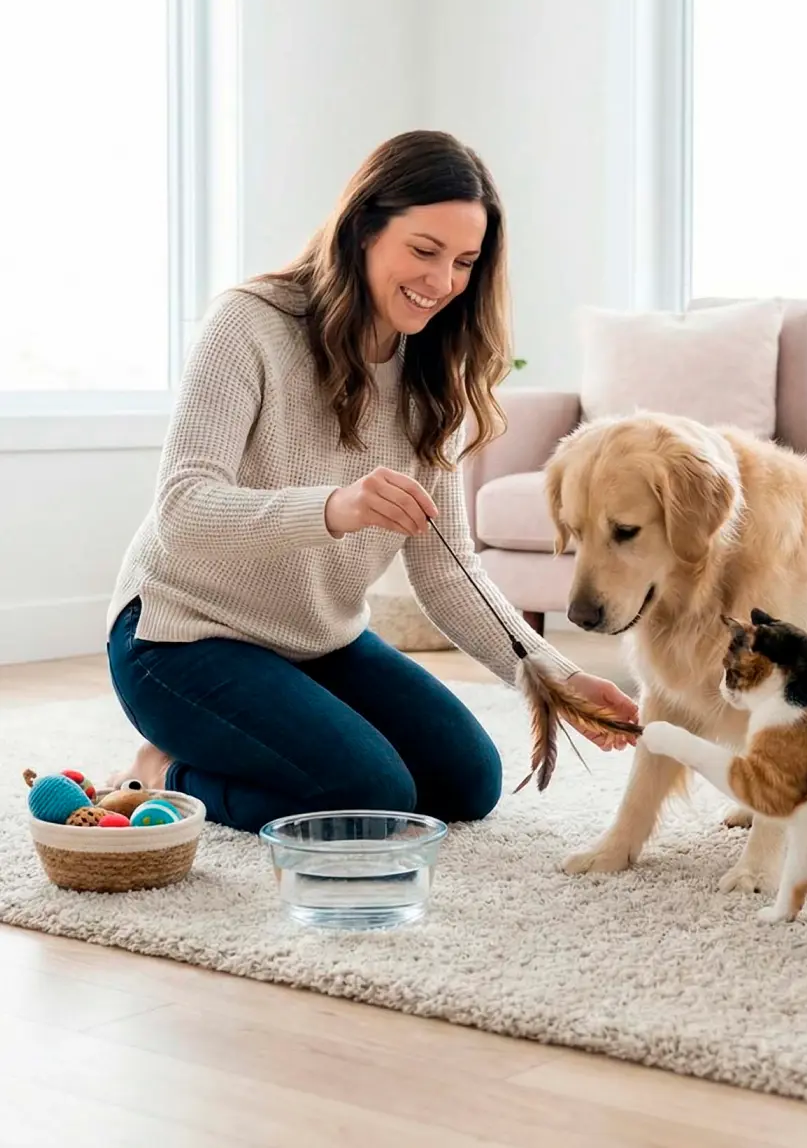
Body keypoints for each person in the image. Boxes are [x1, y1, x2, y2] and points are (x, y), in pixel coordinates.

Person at [105, 130, 637, 833]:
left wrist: (552, 677)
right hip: (180, 638)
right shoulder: (250, 324)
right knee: (369, 791)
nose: (442, 281)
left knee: (465, 781)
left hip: (316, 640)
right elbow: (183, 511)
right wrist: (335, 508)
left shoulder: (433, 375)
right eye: (423, 251)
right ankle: (165, 772)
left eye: (464, 263)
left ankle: (243, 742)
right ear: (362, 230)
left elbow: (448, 573)